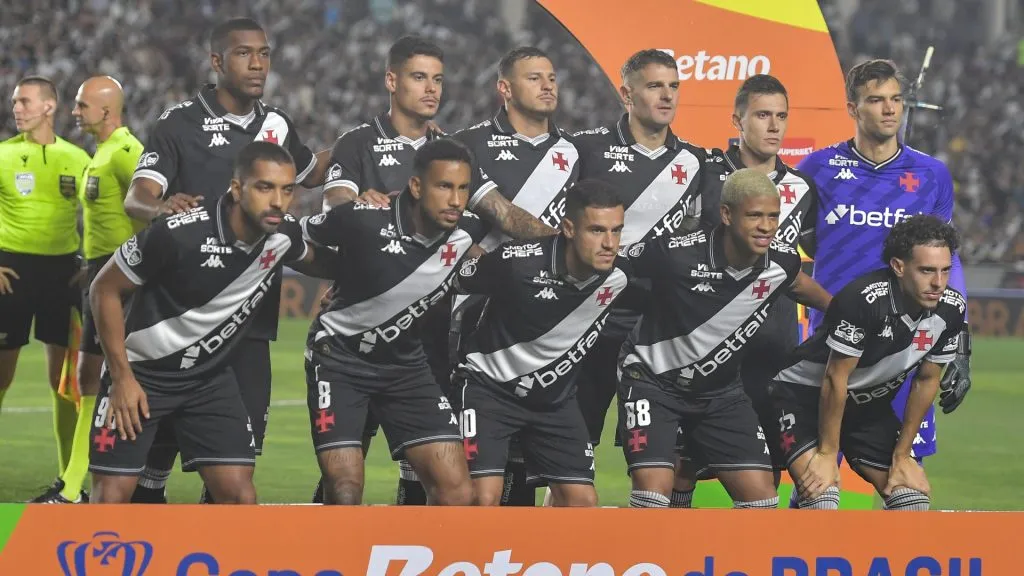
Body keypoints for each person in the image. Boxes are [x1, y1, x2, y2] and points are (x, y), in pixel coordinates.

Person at [311, 38, 557, 506]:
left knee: (427, 471)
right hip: (360, 324)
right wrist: (362, 208)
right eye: (419, 77)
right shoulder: (359, 142)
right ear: (392, 81)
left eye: (437, 79)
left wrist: (564, 249)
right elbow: (336, 210)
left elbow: (504, 215)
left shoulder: (452, 151)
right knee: (343, 475)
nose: (430, 89)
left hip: (428, 333)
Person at [123, 17, 328, 503]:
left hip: (249, 319)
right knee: (152, 467)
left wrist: (376, 141)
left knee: (238, 470)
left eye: (264, 53)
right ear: (217, 62)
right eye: (243, 53)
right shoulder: (178, 123)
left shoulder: (277, 124)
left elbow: (313, 170)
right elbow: (137, 197)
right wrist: (160, 207)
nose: (257, 64)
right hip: (180, 316)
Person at [88, 141, 325, 504]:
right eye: (265, 187)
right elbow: (103, 289)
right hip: (142, 375)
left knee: (239, 497)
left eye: (287, 189)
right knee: (110, 502)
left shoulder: (282, 235)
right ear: (236, 188)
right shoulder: (177, 233)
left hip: (208, 380)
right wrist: (121, 378)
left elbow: (325, 261)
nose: (278, 200)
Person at [792, 59, 972, 506]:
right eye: (876, 100)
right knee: (817, 477)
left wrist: (959, 332)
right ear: (852, 107)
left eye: (895, 100)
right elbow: (789, 247)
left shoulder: (931, 174)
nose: (889, 110)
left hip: (908, 348)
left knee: (904, 475)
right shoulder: (816, 168)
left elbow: (948, 260)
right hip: (834, 345)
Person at [618, 169, 830, 508]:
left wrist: (846, 315)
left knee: (761, 502)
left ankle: (723, 562)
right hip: (653, 382)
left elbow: (800, 287)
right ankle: (660, 560)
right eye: (755, 216)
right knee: (652, 498)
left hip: (720, 392)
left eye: (773, 216)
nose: (766, 226)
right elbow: (612, 267)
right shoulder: (674, 253)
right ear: (727, 214)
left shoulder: (782, 262)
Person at [299, 138, 486, 506]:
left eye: (463, 188)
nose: (455, 199)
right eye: (444, 186)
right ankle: (336, 563)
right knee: (345, 488)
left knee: (458, 491)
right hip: (339, 361)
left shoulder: (468, 232)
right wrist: (342, 271)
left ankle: (426, 561)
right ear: (416, 187)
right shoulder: (362, 218)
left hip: (406, 367)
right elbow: (293, 235)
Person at [670, 74, 821, 507]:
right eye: (762, 115)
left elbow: (803, 263)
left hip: (772, 348)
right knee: (682, 468)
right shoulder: (704, 174)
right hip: (703, 347)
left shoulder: (802, 189)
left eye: (781, 116)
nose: (773, 126)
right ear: (737, 119)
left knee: (765, 474)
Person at [450, 45, 581, 506]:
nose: (548, 85)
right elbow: (471, 226)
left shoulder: (576, 153)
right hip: (475, 320)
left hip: (547, 328)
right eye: (534, 78)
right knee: (462, 470)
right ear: (505, 88)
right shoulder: (468, 145)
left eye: (551, 76)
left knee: (529, 471)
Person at [772, 215, 965, 511]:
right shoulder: (864, 300)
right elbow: (835, 379)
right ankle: (796, 552)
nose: (938, 283)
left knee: (912, 500)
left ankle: (883, 559)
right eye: (926, 271)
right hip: (803, 400)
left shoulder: (951, 309)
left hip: (867, 411)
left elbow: (927, 381)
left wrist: (902, 456)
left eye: (945, 271)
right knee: (822, 498)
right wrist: (827, 454)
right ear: (899, 267)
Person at [453, 179, 627, 507]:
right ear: (569, 229)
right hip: (490, 392)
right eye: (597, 230)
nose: (609, 243)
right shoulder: (516, 262)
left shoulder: (621, 275)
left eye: (616, 231)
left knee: (583, 503)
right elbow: (454, 276)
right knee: (481, 499)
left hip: (555, 403)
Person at [571, 49, 705, 457]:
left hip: (656, 325)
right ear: (628, 95)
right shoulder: (585, 150)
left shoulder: (696, 162)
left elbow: (696, 237)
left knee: (658, 452)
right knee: (573, 444)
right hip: (590, 315)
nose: (667, 96)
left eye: (674, 87)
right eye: (654, 86)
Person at [31, 76, 146, 503]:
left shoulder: (127, 152)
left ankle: (77, 484)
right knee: (86, 378)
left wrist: (136, 267)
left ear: (106, 111)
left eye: (82, 106)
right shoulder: (101, 153)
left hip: (121, 280)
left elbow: (155, 208)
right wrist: (91, 265)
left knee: (103, 379)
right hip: (97, 272)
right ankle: (79, 481)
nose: (75, 112)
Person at [0, 76, 91, 484]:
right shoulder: (2, 156)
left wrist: (91, 262)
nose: (16, 108)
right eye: (15, 102)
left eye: (23, 101)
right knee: (2, 378)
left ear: (49, 107)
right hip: (11, 272)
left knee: (65, 382)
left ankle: (68, 478)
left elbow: (102, 212)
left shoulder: (77, 158)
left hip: (62, 275)